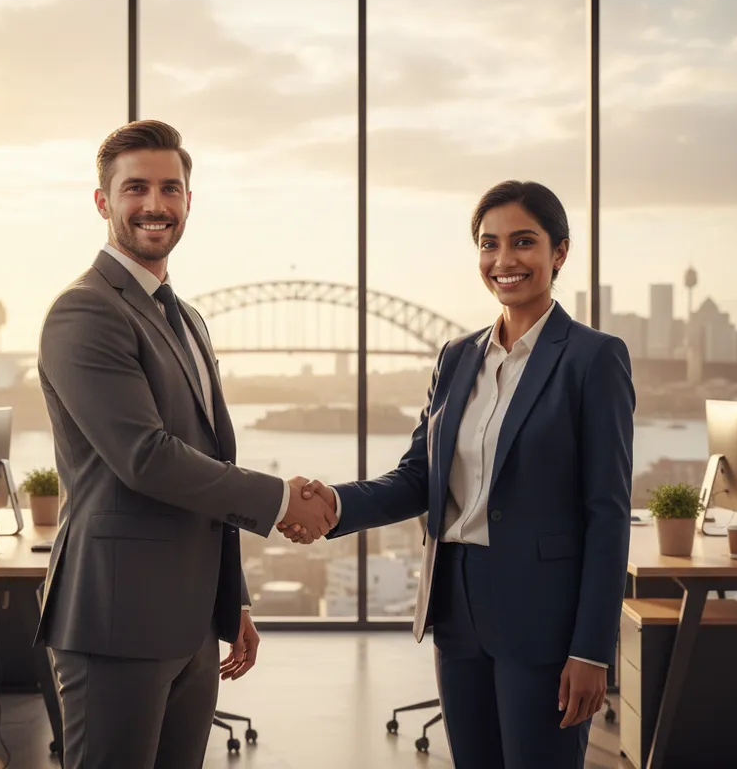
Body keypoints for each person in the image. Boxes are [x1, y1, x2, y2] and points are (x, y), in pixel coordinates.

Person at [283, 180, 634, 768]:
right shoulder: (457, 356)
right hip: (456, 606)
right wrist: (334, 505)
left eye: (524, 242)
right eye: (488, 244)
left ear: (560, 252)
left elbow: (608, 513)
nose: (504, 261)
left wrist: (593, 650)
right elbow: (420, 477)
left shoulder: (593, 358)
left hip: (543, 614)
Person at [33, 119, 337, 769]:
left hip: (191, 622)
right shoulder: (85, 311)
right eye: (135, 187)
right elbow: (146, 458)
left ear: (189, 203)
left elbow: (209, 465)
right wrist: (283, 498)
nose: (154, 204)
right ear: (102, 202)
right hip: (116, 621)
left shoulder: (186, 318)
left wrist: (235, 600)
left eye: (170, 189)